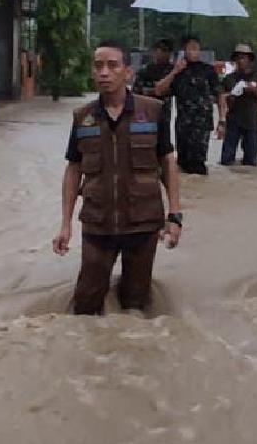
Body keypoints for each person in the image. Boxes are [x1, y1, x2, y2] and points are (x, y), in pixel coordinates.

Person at [52, 40, 183, 315]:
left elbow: (167, 162)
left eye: (112, 65)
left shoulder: (153, 111)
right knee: (86, 303)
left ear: (128, 72)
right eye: (98, 66)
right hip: (98, 225)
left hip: (143, 225)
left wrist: (175, 216)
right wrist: (65, 224)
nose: (104, 72)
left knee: (135, 304)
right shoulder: (83, 117)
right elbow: (73, 169)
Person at [155, 36, 227, 175]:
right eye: (190, 48)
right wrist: (175, 71)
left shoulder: (208, 70)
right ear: (184, 50)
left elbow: (220, 95)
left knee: (198, 165)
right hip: (183, 125)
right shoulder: (177, 71)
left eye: (196, 48)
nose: (194, 51)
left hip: (202, 125)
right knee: (182, 165)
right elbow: (159, 90)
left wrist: (222, 120)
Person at [220, 44, 257, 166]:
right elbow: (221, 99)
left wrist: (254, 91)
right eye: (238, 58)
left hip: (251, 123)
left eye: (243, 58)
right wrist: (231, 97)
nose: (240, 61)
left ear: (249, 60)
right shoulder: (229, 78)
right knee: (226, 161)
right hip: (233, 122)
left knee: (251, 163)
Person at [133, 38, 175, 126]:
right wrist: (154, 91)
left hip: (165, 113)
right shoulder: (145, 71)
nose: (163, 54)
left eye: (166, 51)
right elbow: (136, 92)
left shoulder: (173, 70)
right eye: (161, 50)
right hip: (146, 113)